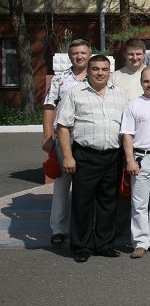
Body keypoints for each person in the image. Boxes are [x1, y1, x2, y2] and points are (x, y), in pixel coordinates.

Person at [56, 55, 128, 262]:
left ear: (109, 71)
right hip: (85, 155)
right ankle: (81, 246)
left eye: (104, 69)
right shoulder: (75, 93)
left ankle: (104, 244)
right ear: (88, 71)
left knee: (108, 202)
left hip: (113, 156)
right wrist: (67, 156)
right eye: (95, 69)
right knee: (83, 202)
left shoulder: (119, 94)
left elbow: (127, 127)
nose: (100, 73)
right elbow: (63, 126)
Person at [42, 39, 90, 246]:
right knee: (62, 185)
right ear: (70, 56)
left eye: (83, 53)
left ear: (89, 54)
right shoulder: (60, 79)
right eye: (75, 53)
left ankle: (84, 226)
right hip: (65, 138)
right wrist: (47, 136)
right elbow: (49, 106)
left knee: (86, 186)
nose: (79, 57)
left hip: (88, 138)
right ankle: (58, 228)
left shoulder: (97, 76)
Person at [120, 66, 150, 258]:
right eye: (146, 81)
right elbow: (127, 134)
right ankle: (140, 242)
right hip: (141, 158)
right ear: (141, 83)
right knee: (139, 204)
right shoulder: (133, 105)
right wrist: (130, 159)